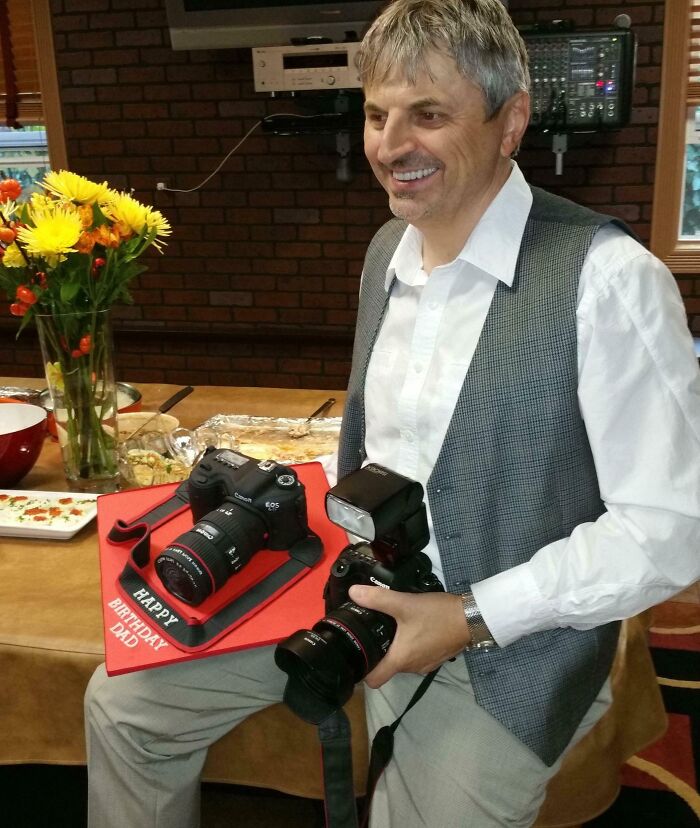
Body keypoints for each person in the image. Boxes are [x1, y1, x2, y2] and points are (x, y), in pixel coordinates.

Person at [85, 1, 700, 826]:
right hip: (358, 589)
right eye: (378, 114)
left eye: (430, 114)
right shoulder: (386, 251)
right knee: (124, 708)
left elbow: (671, 529)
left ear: (511, 120)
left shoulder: (612, 280)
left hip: (511, 639)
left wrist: (468, 616)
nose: (390, 144)